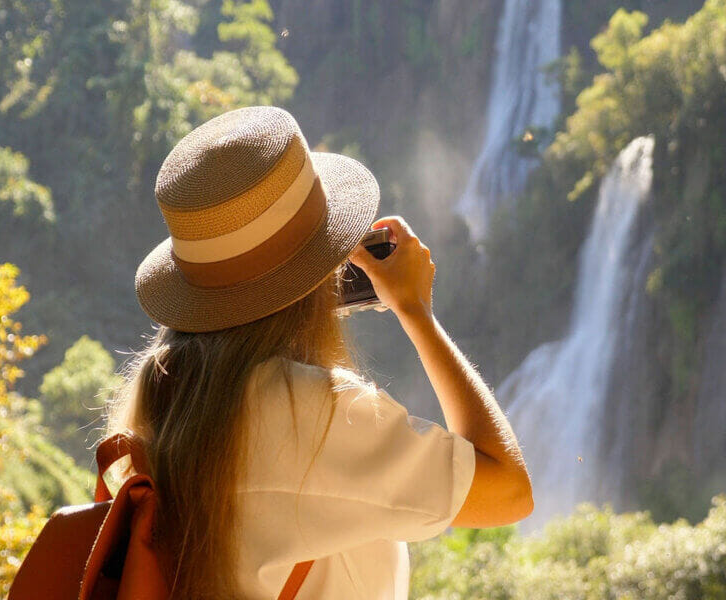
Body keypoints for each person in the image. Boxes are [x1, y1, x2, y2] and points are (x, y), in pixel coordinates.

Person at [104, 105, 533, 599]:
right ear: (316, 277)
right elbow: (509, 491)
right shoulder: (317, 415)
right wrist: (417, 314)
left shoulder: (155, 393)